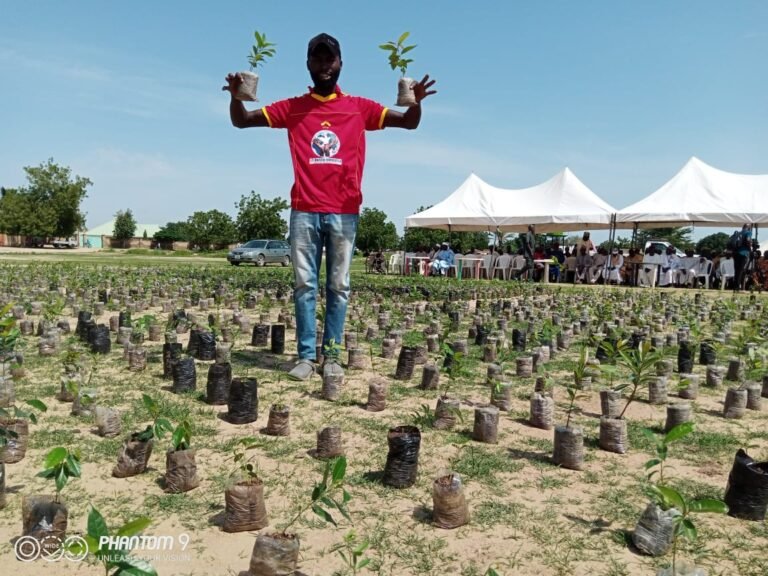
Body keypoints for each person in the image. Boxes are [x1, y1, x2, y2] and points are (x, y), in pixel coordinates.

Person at [223, 33, 437, 381]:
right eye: (318, 59)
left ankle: (332, 356)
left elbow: (409, 123)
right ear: (308, 65)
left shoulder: (359, 107)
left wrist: (417, 102)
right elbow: (242, 120)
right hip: (304, 210)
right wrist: (235, 97)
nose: (324, 65)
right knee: (305, 285)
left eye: (330, 59)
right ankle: (306, 357)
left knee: (338, 286)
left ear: (340, 64)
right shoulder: (293, 108)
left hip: (344, 211)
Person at [734, 224, 753, 292]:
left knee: (737, 270)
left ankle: (735, 286)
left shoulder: (738, 233)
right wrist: (750, 247)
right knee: (741, 270)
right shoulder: (748, 232)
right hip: (744, 252)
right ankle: (738, 287)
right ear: (748, 228)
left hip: (736, 253)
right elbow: (748, 240)